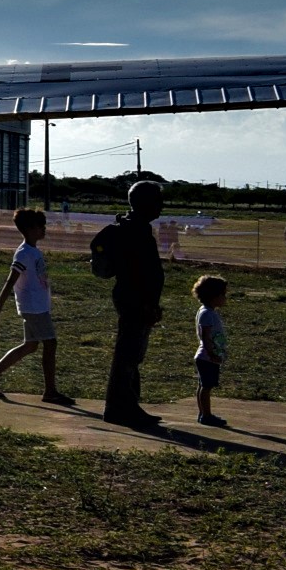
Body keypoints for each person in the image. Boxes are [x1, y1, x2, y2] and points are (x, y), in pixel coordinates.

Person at [88, 178, 168, 427]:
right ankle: (119, 408)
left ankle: (128, 404)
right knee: (127, 355)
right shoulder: (134, 231)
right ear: (145, 203)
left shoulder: (136, 228)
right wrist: (147, 303)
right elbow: (139, 273)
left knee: (132, 355)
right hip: (134, 300)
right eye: (158, 201)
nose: (161, 206)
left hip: (135, 299)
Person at [0, 207, 65, 403]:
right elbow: (10, 281)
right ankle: (50, 391)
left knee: (31, 345)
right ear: (29, 229)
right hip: (33, 308)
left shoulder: (34, 251)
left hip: (37, 306)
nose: (44, 230)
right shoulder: (24, 253)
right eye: (40, 226)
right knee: (50, 343)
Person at [189, 274, 228, 426]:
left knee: (204, 385)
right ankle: (206, 415)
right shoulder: (207, 314)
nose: (225, 298)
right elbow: (206, 336)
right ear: (214, 296)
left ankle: (203, 413)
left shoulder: (208, 311)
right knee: (206, 386)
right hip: (207, 357)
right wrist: (211, 353)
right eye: (223, 295)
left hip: (206, 356)